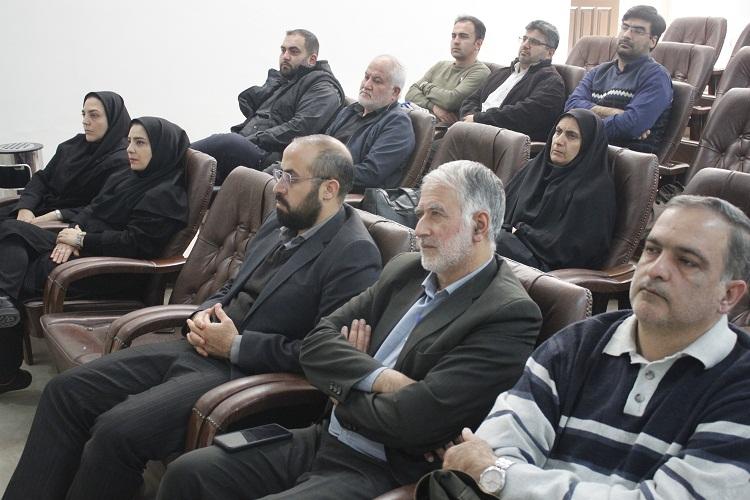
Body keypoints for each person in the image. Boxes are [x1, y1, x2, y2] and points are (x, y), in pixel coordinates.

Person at [3, 134, 382, 500]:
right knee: (64, 392)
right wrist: (203, 313)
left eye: (291, 177)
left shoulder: (353, 255)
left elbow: (322, 354)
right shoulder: (283, 219)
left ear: (329, 189)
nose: (278, 186)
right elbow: (232, 285)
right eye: (279, 173)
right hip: (201, 345)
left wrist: (236, 346)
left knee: (117, 431)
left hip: (247, 375)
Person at [156, 160, 543, 500]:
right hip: (323, 438)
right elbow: (316, 344)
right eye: (420, 213)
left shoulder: (507, 314)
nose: (420, 228)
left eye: (436, 214)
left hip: (383, 470)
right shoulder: (406, 270)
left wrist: (340, 387)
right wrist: (381, 378)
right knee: (188, 474)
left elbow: (414, 420)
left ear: (479, 225)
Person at [439, 195, 750, 499]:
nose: (656, 270)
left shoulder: (740, 386)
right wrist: (497, 474)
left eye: (687, 262)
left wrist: (503, 478)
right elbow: (490, 456)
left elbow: (491, 472)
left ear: (729, 295)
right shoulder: (575, 344)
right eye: (652, 250)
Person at [0, 116, 189, 392]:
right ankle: (3, 307)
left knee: (16, 272)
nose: (130, 149)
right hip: (86, 247)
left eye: (140, 143)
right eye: (129, 141)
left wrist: (82, 240)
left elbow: (134, 244)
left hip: (111, 270)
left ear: (162, 149)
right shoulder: (130, 176)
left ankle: (5, 364)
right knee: (11, 230)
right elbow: (93, 208)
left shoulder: (166, 196)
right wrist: (75, 232)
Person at [192, 29, 344, 184]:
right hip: (248, 145)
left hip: (270, 158)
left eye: (294, 51)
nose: (285, 56)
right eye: (283, 50)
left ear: (312, 59)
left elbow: (301, 128)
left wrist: (254, 139)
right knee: (194, 167)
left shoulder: (324, 88)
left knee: (225, 142)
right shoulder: (284, 83)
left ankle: (179, 150)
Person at [497, 108, 616, 271]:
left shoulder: (595, 191)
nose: (559, 141)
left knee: (488, 241)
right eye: (558, 132)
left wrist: (519, 231)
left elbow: (572, 251)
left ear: (588, 145)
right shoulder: (534, 168)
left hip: (548, 268)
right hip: (509, 244)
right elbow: (499, 211)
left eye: (571, 136)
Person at [0, 91, 130, 222]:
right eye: (84, 114)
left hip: (68, 223)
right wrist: (25, 208)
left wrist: (55, 216)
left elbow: (102, 207)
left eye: (94, 115)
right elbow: (42, 179)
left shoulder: (122, 160)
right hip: (37, 209)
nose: (85, 121)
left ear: (113, 118)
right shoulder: (73, 146)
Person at [565, 5, 672, 154]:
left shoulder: (656, 77)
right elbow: (571, 106)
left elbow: (631, 126)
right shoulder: (598, 72)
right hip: (581, 152)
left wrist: (581, 126)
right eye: (625, 27)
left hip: (619, 161)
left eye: (638, 31)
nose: (627, 35)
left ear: (652, 41)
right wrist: (618, 113)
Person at [459, 20, 565, 141]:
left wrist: (478, 120)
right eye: (524, 39)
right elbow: (471, 100)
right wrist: (469, 117)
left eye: (534, 42)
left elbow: (523, 115)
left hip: (501, 141)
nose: (525, 45)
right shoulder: (501, 73)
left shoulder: (552, 82)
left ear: (550, 53)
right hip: (471, 130)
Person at [325, 55, 415, 192]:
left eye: (377, 81)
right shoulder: (351, 110)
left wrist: (321, 172)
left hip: (348, 194)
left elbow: (369, 174)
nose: (367, 85)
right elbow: (322, 146)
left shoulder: (397, 124)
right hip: (323, 182)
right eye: (366, 77)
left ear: (395, 92)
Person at [404, 16, 490, 124]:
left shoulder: (481, 72)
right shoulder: (440, 65)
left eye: (463, 36)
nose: (456, 41)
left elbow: (450, 100)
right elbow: (410, 93)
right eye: (453, 36)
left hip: (442, 130)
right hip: (414, 122)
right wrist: (434, 107)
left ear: (478, 44)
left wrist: (425, 86)